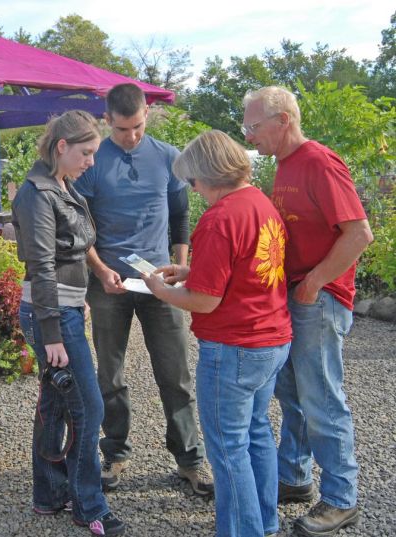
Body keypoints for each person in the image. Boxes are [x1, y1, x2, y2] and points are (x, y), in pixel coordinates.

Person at [140, 130, 292, 537]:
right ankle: (265, 521)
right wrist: (193, 270)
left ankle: (243, 531)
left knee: (227, 449)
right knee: (257, 432)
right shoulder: (261, 203)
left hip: (234, 346)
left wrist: (162, 290)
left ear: (208, 174)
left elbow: (204, 301)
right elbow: (249, 267)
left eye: (192, 181)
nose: (193, 189)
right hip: (272, 337)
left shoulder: (220, 217)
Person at [242, 86, 374, 537]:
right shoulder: (284, 165)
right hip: (295, 294)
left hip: (318, 298)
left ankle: (341, 499)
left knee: (321, 399)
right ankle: (294, 477)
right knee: (293, 394)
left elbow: (358, 234)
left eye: (254, 126)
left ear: (283, 121)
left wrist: (316, 281)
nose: (249, 135)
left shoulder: (318, 161)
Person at [74, 83, 212, 495]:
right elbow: (81, 226)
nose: (130, 136)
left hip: (161, 283)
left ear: (146, 115)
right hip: (109, 284)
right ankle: (114, 454)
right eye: (120, 130)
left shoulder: (169, 158)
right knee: (110, 374)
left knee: (175, 373)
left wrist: (181, 266)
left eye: (136, 127)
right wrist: (99, 271)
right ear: (106, 120)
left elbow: (180, 218)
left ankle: (190, 460)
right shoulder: (92, 162)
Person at [13, 110, 126, 536]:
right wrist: (53, 332)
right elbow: (41, 266)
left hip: (65, 307)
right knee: (88, 406)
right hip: (52, 313)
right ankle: (89, 506)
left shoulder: (61, 185)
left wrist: (93, 279)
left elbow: (76, 247)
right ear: (62, 147)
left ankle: (49, 493)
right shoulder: (38, 194)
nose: (91, 161)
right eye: (86, 152)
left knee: (57, 402)